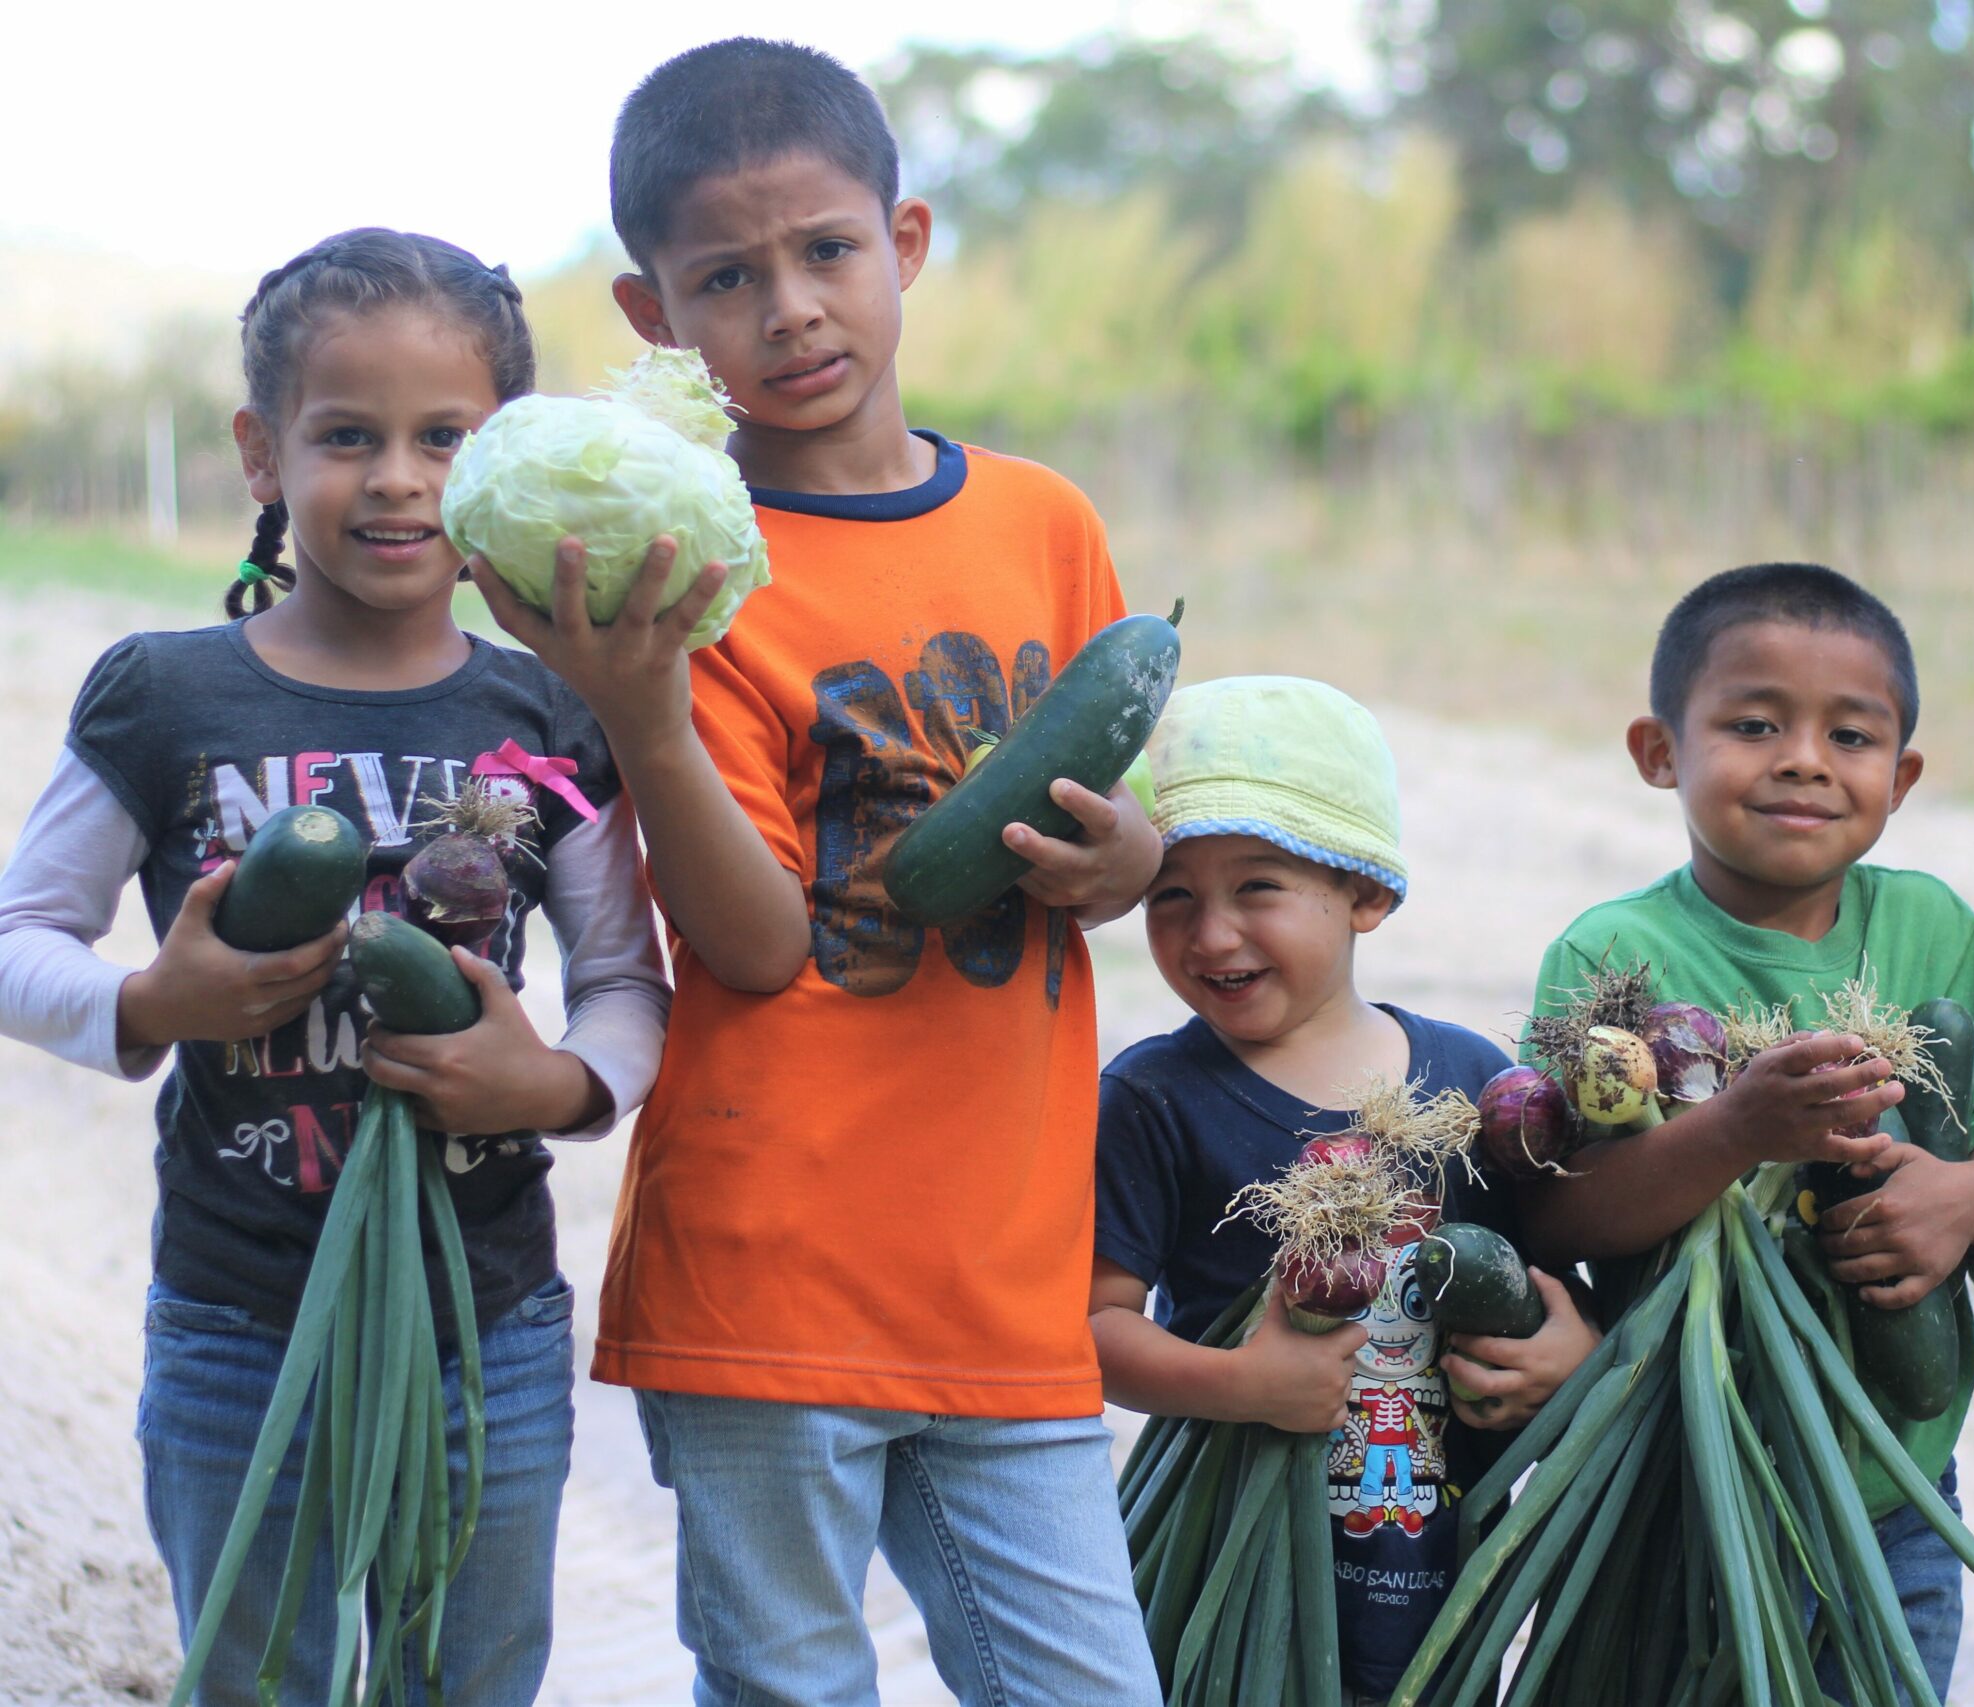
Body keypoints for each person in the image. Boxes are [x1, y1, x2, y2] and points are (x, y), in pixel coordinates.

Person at [471, 38, 1158, 1706]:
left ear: (904, 241)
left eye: (826, 251)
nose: (789, 307)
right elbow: (757, 946)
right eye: (728, 275)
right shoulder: (686, 577)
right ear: (654, 315)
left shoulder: (1044, 522)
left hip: (1005, 1273)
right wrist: (642, 712)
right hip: (771, 1265)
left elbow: (1122, 825)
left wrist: (1125, 860)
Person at [0, 229, 670, 1705]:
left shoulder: (554, 710)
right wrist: (143, 1004)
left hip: (484, 1324)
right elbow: (17, 941)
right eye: (346, 435)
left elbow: (629, 977)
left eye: (447, 437)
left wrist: (559, 1081)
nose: (397, 477)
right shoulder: (168, 694)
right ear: (261, 451)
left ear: (508, 457)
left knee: (469, 1677)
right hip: (240, 1324)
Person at [1519, 562, 1974, 1701]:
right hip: (1673, 1489)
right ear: (1658, 751)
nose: (1803, 759)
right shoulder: (1608, 957)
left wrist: (1959, 1203)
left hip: (1891, 1493)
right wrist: (1731, 1133)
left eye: (1849, 737)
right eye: (1753, 724)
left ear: (1902, 777)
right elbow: (1561, 1207)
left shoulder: (1930, 932)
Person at [1089, 675, 1599, 1704]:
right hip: (1231, 1582)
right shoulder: (1152, 1096)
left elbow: (1555, 1273)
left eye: (1258, 888)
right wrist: (1244, 1387)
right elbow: (1088, 1330)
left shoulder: (1469, 1084)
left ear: (1367, 893)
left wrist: (1572, 1348)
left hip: (1441, 1574)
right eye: (1171, 896)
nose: (1210, 934)